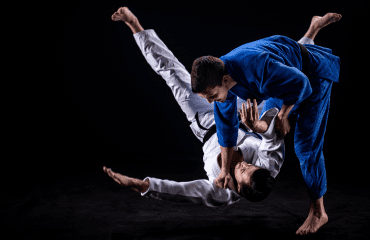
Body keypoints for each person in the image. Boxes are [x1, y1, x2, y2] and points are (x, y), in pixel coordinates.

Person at [104, 7, 340, 235]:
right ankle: (310, 33)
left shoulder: (223, 192)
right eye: (250, 165)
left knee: (306, 147)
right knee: (275, 99)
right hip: (278, 71)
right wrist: (271, 121)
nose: (245, 164)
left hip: (214, 121)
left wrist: (142, 185)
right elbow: (254, 131)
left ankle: (317, 211)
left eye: (212, 96)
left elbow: (184, 191)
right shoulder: (226, 73)